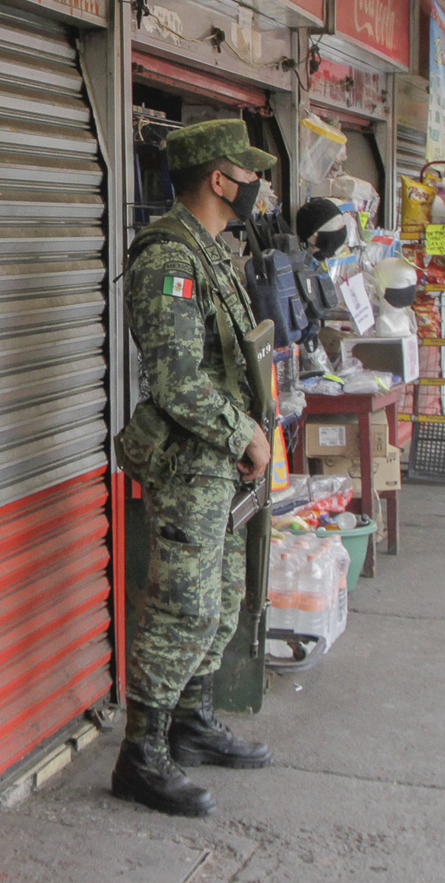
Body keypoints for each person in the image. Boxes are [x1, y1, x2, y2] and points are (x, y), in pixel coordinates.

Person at [114, 118, 275, 818]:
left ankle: (192, 724)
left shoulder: (214, 251)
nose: (257, 188)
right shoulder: (167, 259)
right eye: (249, 175)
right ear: (220, 179)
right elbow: (180, 384)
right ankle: (140, 756)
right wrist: (245, 432)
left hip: (227, 463)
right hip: (194, 462)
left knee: (224, 599)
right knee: (182, 607)